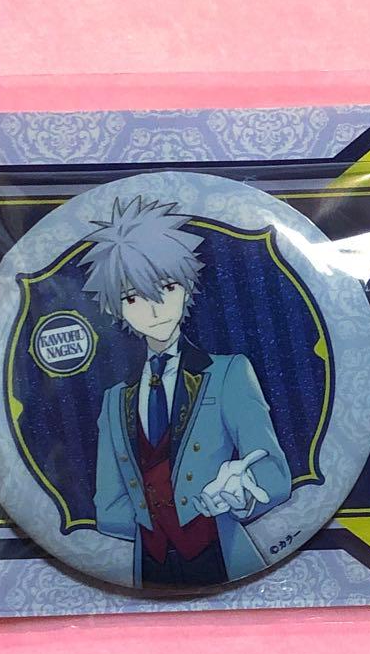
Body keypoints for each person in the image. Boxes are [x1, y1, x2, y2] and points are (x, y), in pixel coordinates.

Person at [81, 195, 291, 587]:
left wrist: (240, 495)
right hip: (149, 566)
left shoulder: (228, 373)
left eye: (167, 287)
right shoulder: (115, 399)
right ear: (115, 308)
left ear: (187, 286)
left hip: (222, 555)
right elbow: (108, 504)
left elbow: (272, 469)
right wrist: (151, 523)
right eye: (132, 297)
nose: (154, 308)